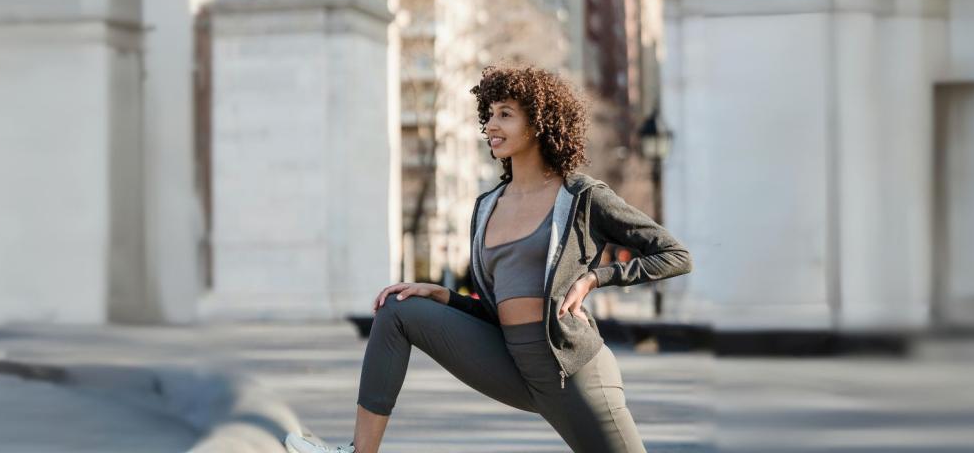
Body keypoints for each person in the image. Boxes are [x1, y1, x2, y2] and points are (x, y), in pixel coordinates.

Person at [286, 64, 693, 453]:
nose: (491, 126)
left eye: (505, 114)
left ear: (537, 123)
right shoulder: (486, 206)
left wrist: (595, 278)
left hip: (574, 373)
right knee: (398, 309)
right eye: (489, 114)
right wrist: (445, 297)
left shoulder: (582, 197)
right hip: (512, 363)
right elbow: (500, 308)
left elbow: (675, 255)